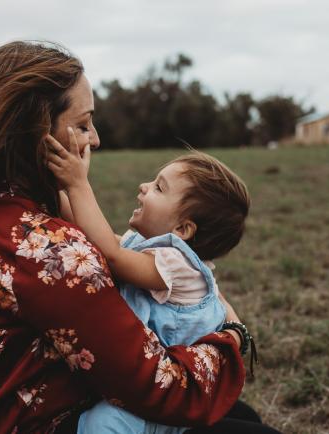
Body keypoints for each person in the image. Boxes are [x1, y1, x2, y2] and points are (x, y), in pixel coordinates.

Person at [0, 40, 278, 434]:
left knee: (242, 417)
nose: (95, 139)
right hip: (55, 424)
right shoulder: (47, 253)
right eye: (82, 123)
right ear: (37, 132)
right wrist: (231, 335)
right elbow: (163, 390)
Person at [45, 131, 255, 433]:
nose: (143, 187)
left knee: (102, 426)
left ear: (183, 228)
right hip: (144, 382)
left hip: (158, 402)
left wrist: (78, 184)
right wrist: (58, 187)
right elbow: (92, 234)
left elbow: (112, 254)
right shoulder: (148, 247)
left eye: (159, 188)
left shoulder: (177, 265)